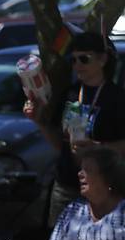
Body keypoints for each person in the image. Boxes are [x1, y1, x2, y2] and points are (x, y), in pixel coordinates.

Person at [24, 32, 125, 227]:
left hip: (103, 188)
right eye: (74, 59)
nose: (77, 65)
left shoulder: (117, 99)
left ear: (103, 59)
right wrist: (38, 121)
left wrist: (96, 148)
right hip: (66, 184)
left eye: (84, 59)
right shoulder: (70, 93)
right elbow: (59, 143)